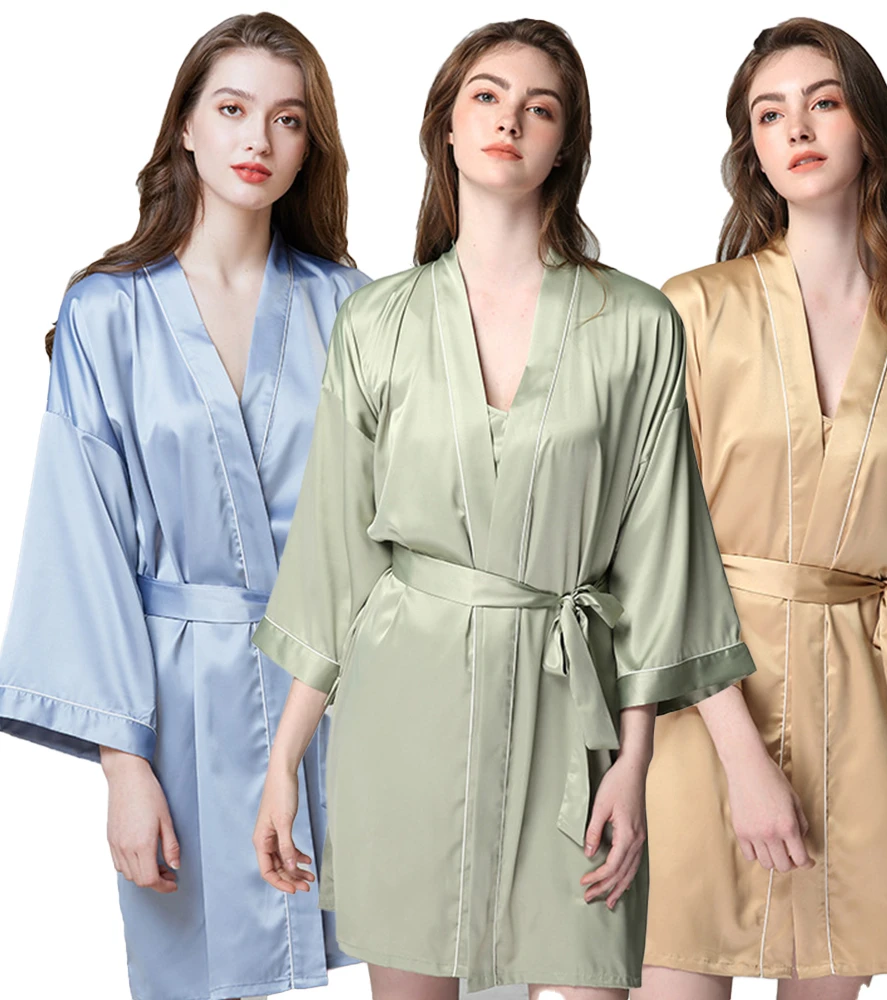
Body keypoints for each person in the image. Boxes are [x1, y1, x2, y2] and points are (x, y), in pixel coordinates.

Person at [249, 17, 756, 1000]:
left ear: (566, 144)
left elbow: (662, 558)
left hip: (573, 717)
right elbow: (332, 560)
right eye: (485, 96)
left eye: (540, 107)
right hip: (403, 712)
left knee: (587, 969)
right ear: (445, 124)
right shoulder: (376, 323)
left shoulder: (636, 325)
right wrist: (282, 764)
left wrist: (633, 761)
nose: (509, 121)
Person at [0, 13, 367, 1000]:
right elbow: (81, 541)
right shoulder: (106, 312)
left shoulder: (352, 307)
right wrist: (124, 767)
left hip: (346, 696)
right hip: (180, 709)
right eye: (233, 109)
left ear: (310, 146)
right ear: (186, 128)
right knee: (201, 975)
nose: (259, 140)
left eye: (288, 120)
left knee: (410, 960)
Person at [639, 17, 887, 1000]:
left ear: (868, 125)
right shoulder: (692, 311)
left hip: (868, 723)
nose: (795, 129)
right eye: (769, 114)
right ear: (750, 148)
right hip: (699, 713)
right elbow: (653, 550)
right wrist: (743, 760)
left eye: (822, 103)